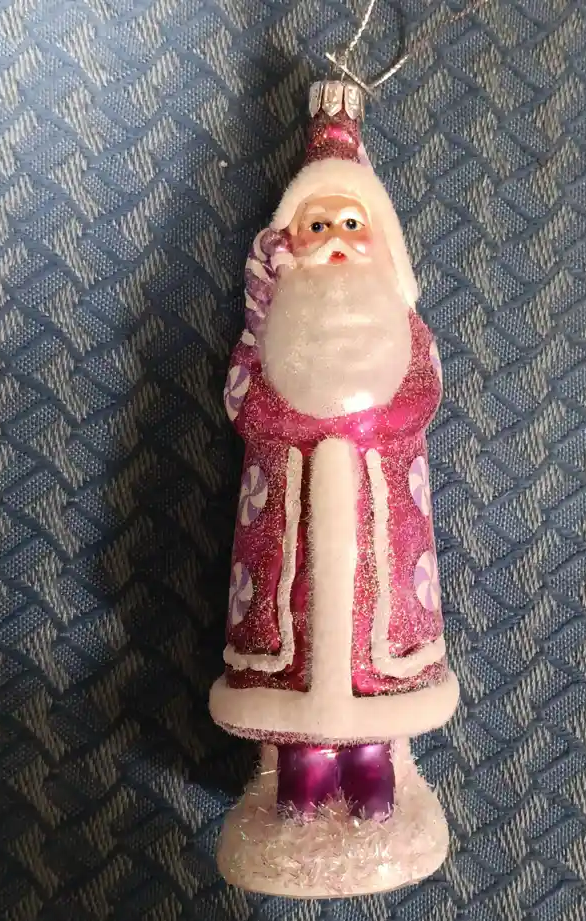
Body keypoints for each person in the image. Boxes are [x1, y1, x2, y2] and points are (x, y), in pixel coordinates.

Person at [210, 87, 459, 820]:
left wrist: (358, 410)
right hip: (284, 521)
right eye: (317, 224)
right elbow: (243, 401)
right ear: (291, 238)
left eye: (352, 223)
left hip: (383, 525)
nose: (335, 239)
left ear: (378, 236)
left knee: (374, 651)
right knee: (291, 645)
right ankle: (298, 770)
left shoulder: (401, 327)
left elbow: (421, 394)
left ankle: (376, 764)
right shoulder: (269, 328)